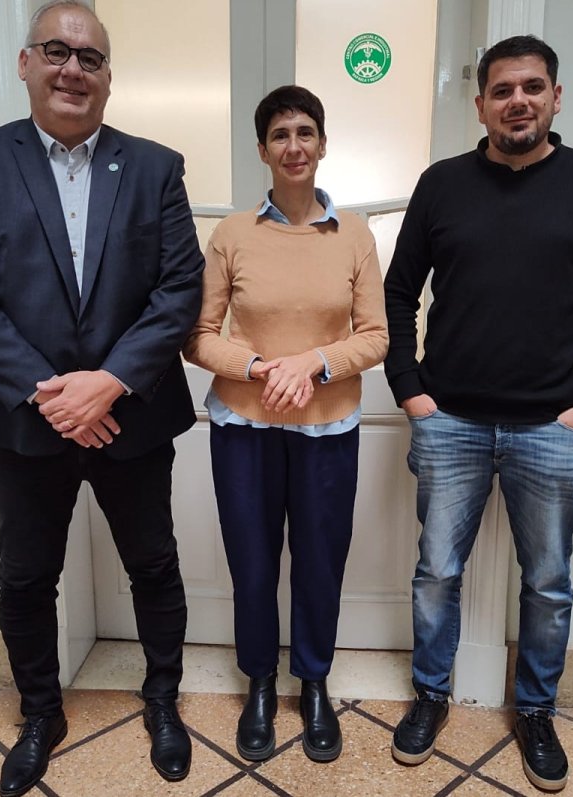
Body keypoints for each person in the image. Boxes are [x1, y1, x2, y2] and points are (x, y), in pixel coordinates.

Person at [0, 2, 204, 793]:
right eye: (56, 51)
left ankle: (163, 701)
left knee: (154, 565)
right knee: (25, 576)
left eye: (90, 58)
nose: (72, 69)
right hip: (27, 417)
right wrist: (52, 394)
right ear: (25, 63)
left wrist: (110, 381)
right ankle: (41, 712)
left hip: (135, 412)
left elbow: (179, 287)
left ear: (109, 78)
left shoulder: (155, 166)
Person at [383, 35, 573, 792]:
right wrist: (412, 391)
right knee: (436, 572)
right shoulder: (441, 184)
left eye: (532, 87)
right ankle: (431, 696)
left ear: (555, 98)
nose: (518, 101)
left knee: (549, 582)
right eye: (503, 90)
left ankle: (535, 708)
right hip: (450, 421)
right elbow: (399, 294)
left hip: (553, 426)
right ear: (482, 104)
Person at [183, 85, 388, 764]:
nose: (294, 146)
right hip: (243, 425)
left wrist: (316, 364)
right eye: (280, 135)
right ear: (264, 149)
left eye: (305, 132)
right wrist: (265, 367)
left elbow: (378, 336)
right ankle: (262, 684)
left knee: (321, 560)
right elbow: (200, 336)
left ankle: (315, 680)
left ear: (323, 144)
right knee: (252, 560)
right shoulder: (234, 234)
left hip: (329, 426)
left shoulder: (354, 232)